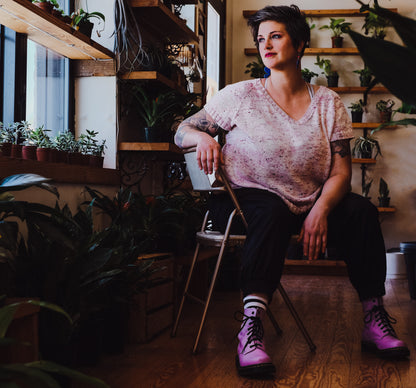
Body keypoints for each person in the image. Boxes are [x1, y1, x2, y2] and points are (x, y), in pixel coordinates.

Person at [174, 4, 409, 378]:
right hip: (243, 199)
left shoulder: (329, 103)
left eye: (276, 36)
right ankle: (250, 329)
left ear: (299, 44)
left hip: (311, 199)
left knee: (362, 212)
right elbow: (181, 130)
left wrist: (320, 210)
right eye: (261, 38)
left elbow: (341, 171)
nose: (266, 44)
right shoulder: (239, 96)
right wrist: (202, 135)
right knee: (271, 211)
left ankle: (373, 317)